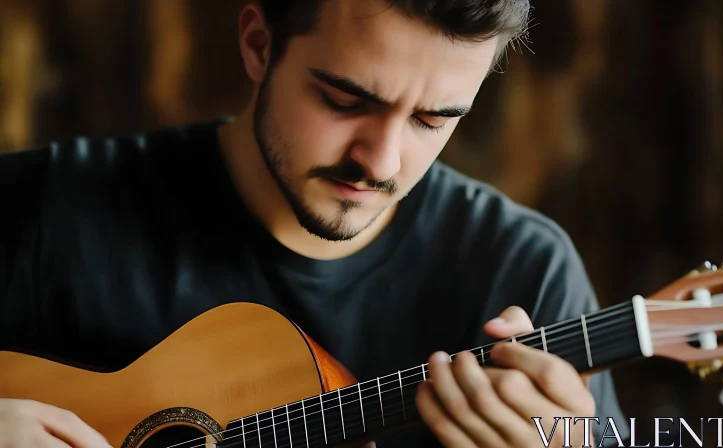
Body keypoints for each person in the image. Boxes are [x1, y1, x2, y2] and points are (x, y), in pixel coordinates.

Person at [0, 0, 631, 446]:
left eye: (432, 120)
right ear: (257, 44)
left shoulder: (525, 272)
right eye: (345, 100)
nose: (380, 161)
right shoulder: (46, 209)